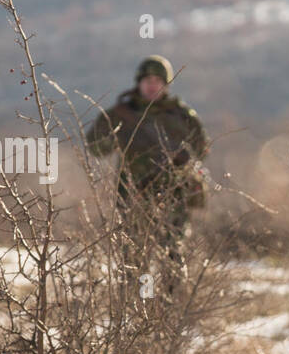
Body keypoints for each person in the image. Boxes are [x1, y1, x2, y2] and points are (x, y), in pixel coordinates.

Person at [86, 55, 209, 281]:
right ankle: (134, 311)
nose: (152, 85)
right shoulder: (120, 114)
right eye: (148, 80)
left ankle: (169, 310)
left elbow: (201, 149)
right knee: (133, 259)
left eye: (157, 80)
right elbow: (94, 147)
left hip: (174, 196)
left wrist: (183, 159)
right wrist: (114, 137)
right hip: (133, 196)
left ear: (166, 84)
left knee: (172, 257)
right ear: (139, 82)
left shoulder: (182, 116)